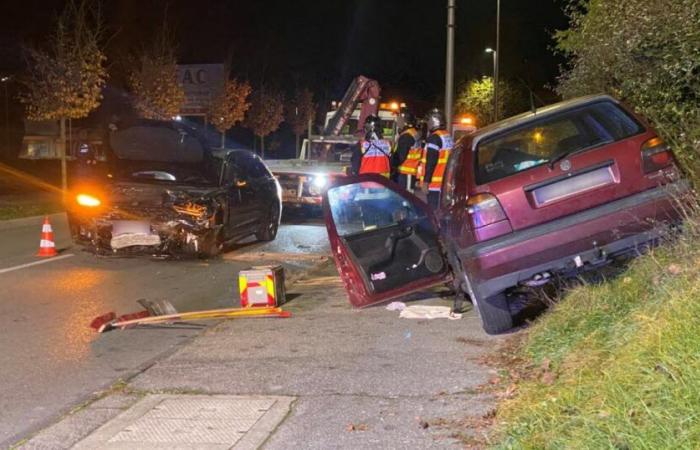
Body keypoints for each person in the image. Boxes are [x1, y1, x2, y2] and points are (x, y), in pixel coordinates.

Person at [420, 108, 453, 209]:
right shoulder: (446, 135)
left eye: (428, 121)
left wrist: (426, 182)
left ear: (433, 121)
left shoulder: (434, 138)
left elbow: (431, 162)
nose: (427, 123)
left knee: (433, 211)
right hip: (445, 181)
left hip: (435, 183)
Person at [393, 108, 422, 192]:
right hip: (407, 173)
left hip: (406, 174)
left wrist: (391, 165)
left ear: (404, 119)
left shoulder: (406, 136)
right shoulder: (411, 132)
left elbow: (400, 156)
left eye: (398, 117)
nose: (397, 120)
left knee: (406, 199)